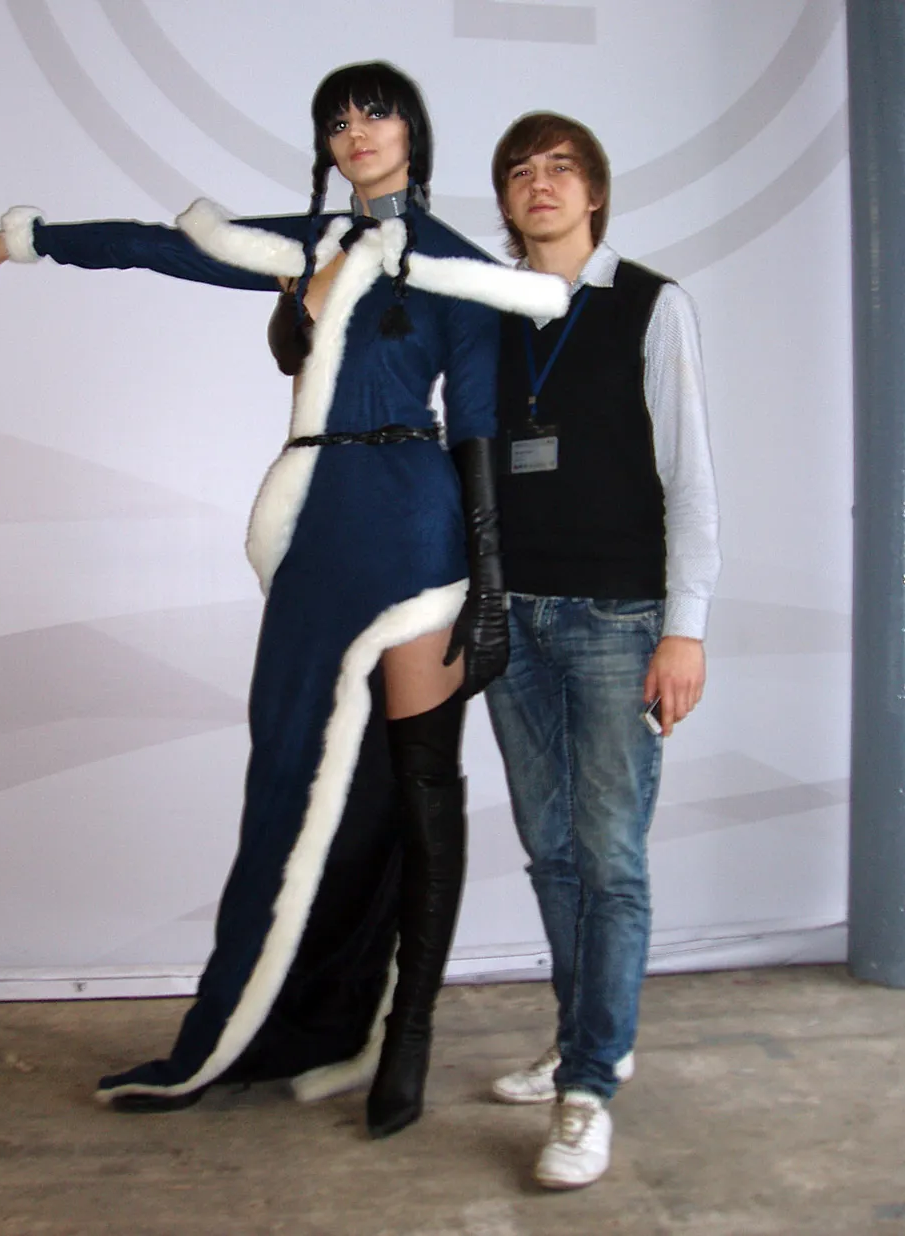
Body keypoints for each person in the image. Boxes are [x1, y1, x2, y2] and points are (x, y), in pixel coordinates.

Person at [0, 64, 568, 1139]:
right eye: (337, 119)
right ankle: (262, 1028)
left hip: (417, 531)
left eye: (375, 112)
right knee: (285, 776)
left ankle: (404, 1032)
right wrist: (31, 240)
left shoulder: (455, 266)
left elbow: (476, 426)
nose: (356, 131)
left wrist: (492, 584)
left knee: (417, 794)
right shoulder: (306, 245)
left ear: (413, 130)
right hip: (318, 527)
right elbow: (163, 244)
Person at [482, 113, 721, 1187]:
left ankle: (587, 1089)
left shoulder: (651, 305)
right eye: (520, 172)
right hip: (513, 621)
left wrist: (685, 628)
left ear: (594, 193)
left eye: (561, 167)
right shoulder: (492, 315)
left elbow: (691, 476)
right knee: (552, 851)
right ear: (506, 201)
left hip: (619, 621)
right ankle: (586, 1036)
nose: (540, 184)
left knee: (611, 859)